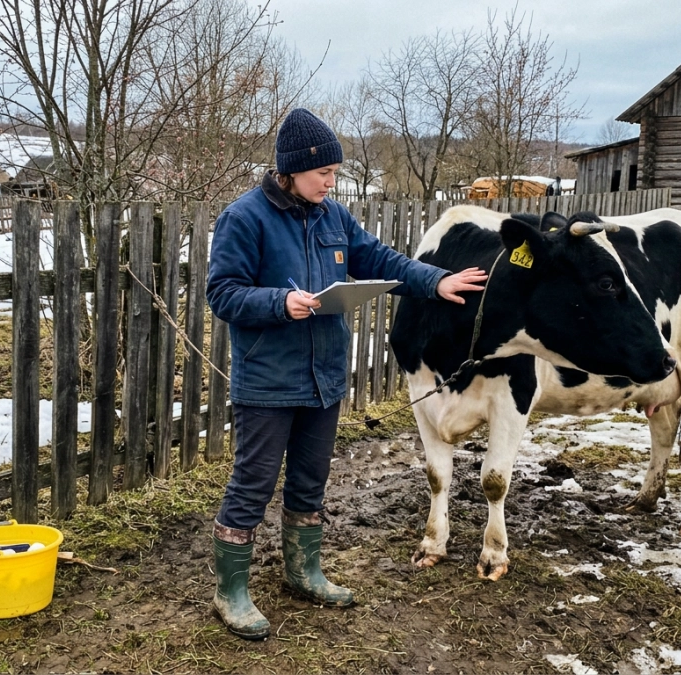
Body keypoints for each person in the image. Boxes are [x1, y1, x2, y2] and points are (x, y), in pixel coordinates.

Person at [205, 108, 488, 640]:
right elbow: (222, 292)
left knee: (311, 482)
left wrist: (436, 281)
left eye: (335, 173)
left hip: (325, 376)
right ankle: (231, 591)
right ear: (291, 170)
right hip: (268, 379)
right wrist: (279, 301)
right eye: (324, 174)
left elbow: (382, 259)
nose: (332, 182)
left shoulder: (333, 216)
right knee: (253, 484)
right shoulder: (245, 218)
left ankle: (304, 572)